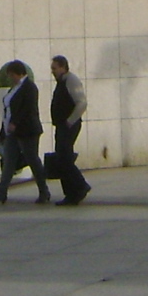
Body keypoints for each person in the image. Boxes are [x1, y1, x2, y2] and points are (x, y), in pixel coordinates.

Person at [0, 60, 50, 204]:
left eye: (12, 75)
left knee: (32, 160)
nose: (10, 78)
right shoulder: (14, 88)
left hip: (27, 131)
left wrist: (15, 123)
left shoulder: (29, 87)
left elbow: (28, 109)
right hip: (12, 132)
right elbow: (7, 111)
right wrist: (4, 131)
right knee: (9, 162)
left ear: (18, 73)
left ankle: (44, 191)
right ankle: (1, 193)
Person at [46, 54, 91, 206]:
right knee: (62, 158)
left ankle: (79, 186)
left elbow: (82, 103)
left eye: (55, 68)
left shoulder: (71, 80)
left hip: (68, 125)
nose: (53, 72)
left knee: (64, 157)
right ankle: (72, 192)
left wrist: (69, 121)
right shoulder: (62, 82)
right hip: (62, 125)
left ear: (63, 67)